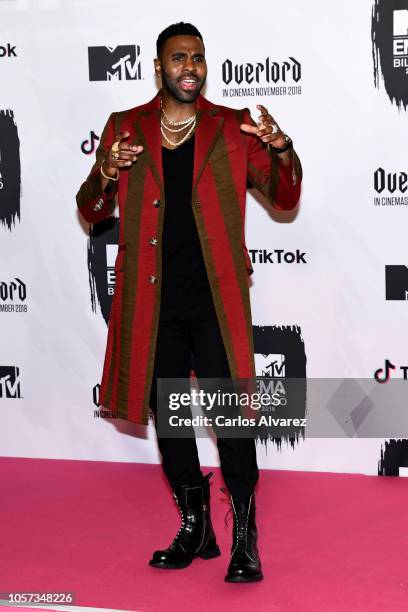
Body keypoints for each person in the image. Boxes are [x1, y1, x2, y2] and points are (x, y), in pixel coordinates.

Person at [76, 22, 302, 583]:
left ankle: (245, 539)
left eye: (198, 58)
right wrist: (107, 168)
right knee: (172, 426)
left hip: (214, 305)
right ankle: (194, 527)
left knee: (232, 424)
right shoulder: (125, 128)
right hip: (151, 307)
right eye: (179, 58)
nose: (190, 68)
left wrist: (281, 147)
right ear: (159, 67)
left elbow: (285, 195)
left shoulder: (232, 128)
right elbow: (92, 209)